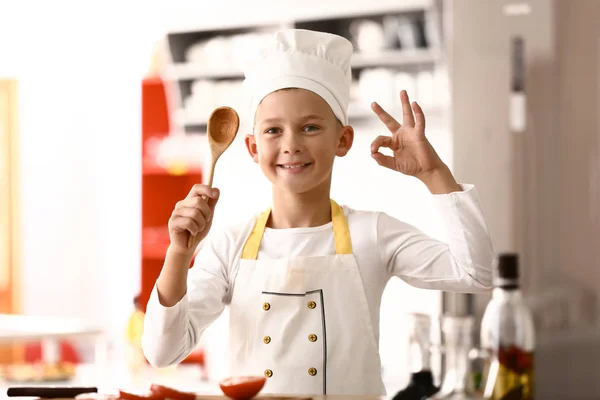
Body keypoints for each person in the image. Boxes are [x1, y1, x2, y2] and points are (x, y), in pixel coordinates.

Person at [141, 29, 495, 396]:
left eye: (310, 127)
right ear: (251, 147)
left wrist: (434, 174)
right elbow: (162, 352)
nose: (290, 145)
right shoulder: (230, 245)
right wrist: (179, 253)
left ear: (342, 140)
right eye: (273, 130)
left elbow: (476, 272)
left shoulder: (372, 233)